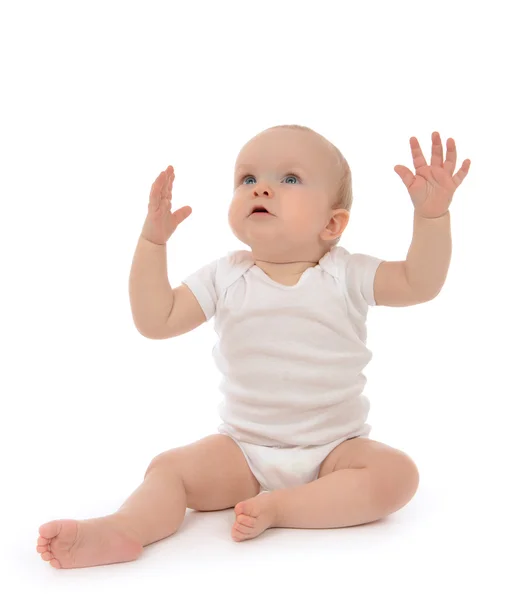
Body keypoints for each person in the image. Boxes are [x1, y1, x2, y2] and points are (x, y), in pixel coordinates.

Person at [36, 125, 470, 569]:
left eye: (290, 179)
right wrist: (153, 243)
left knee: (397, 476)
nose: (261, 187)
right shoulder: (225, 276)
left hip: (335, 450)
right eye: (247, 179)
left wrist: (432, 217)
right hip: (243, 451)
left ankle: (285, 508)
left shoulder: (347, 274)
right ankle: (124, 528)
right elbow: (156, 320)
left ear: (332, 223)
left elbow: (421, 282)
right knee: (169, 469)